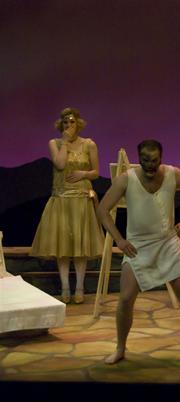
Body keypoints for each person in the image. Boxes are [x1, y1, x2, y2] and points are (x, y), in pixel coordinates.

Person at [96, 139, 180, 365]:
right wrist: (119, 239)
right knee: (126, 298)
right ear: (139, 158)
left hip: (167, 241)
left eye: (154, 161)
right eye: (145, 160)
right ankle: (120, 347)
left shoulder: (173, 174)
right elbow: (102, 209)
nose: (150, 165)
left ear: (161, 158)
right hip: (138, 246)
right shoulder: (126, 179)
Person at [30, 107, 104, 304]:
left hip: (81, 200)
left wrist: (83, 174)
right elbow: (61, 165)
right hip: (62, 199)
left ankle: (79, 287)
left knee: (80, 248)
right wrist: (64, 142)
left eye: (72, 122)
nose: (69, 125)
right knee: (62, 247)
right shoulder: (54, 143)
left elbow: (96, 171)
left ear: (78, 123)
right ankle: (65, 287)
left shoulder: (89, 144)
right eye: (65, 122)